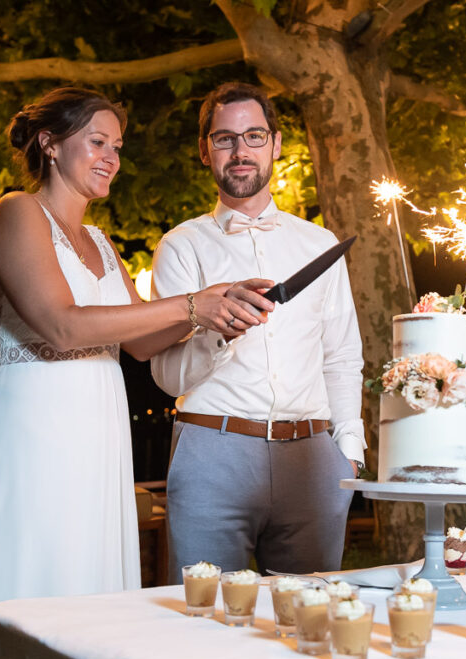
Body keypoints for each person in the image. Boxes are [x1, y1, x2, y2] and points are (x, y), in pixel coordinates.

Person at [0, 87, 273, 659]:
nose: (112, 157)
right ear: (51, 144)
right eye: (98, 142)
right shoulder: (16, 213)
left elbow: (139, 343)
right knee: (29, 584)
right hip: (32, 440)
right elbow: (59, 326)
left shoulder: (104, 243)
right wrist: (191, 303)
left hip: (98, 444)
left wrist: (220, 316)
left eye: (118, 146)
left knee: (88, 595)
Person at [150, 82, 365, 582]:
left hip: (313, 458)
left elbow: (341, 357)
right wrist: (219, 330)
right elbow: (165, 375)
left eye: (253, 136)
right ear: (206, 151)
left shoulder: (320, 243)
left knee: (306, 618)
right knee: (205, 620)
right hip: (213, 451)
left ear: (276, 143)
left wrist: (348, 451)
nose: (240, 151)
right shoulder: (181, 246)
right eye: (225, 139)